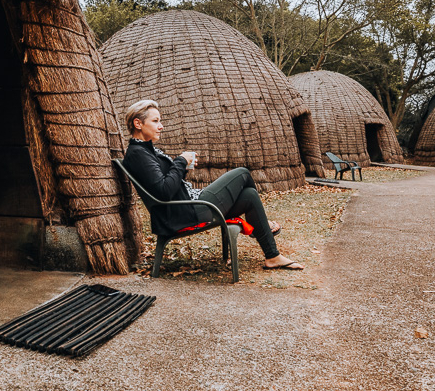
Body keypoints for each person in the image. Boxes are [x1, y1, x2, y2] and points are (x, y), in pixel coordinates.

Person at [123, 99, 303, 270]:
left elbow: (167, 184)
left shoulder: (145, 150)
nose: (160, 126)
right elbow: (164, 191)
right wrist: (180, 161)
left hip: (188, 206)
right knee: (242, 173)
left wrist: (183, 167)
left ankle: (272, 256)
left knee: (249, 195)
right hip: (188, 211)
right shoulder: (138, 153)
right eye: (155, 121)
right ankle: (260, 228)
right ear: (138, 124)